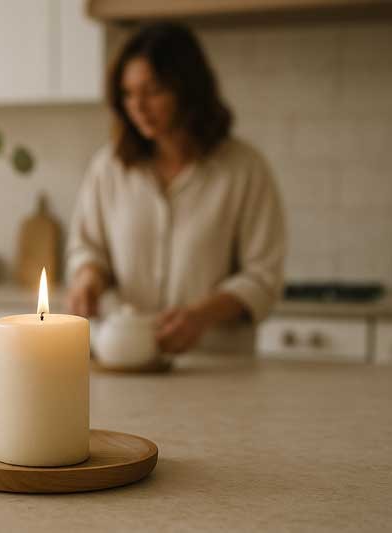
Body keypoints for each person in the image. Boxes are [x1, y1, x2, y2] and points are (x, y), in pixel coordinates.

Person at [66, 22, 286, 356]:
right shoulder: (108, 168)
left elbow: (263, 277)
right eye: (128, 93)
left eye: (153, 91)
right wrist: (88, 279)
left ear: (188, 89)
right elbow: (87, 248)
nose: (138, 105)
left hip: (217, 367)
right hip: (124, 360)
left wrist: (200, 317)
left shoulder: (244, 169)